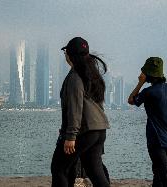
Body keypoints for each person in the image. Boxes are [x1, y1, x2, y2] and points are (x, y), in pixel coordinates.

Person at [51, 37, 110, 187]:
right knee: (94, 169)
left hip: (84, 131)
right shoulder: (92, 75)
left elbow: (75, 108)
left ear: (70, 55)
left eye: (66, 52)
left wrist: (71, 136)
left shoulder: (75, 77)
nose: (65, 54)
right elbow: (98, 105)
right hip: (99, 129)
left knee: (59, 168)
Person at [128, 57, 167, 187]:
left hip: (156, 142)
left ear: (148, 75)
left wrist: (140, 83)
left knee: (166, 179)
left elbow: (131, 100)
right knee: (158, 174)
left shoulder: (148, 92)